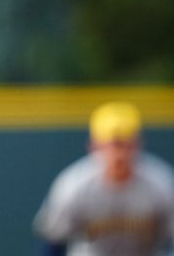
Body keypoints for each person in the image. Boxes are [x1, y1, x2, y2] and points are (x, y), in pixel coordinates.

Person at [33, 101, 174, 256]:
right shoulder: (73, 185)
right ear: (93, 146)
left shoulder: (161, 183)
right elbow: (53, 243)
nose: (119, 154)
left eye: (126, 145)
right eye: (112, 145)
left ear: (138, 144)